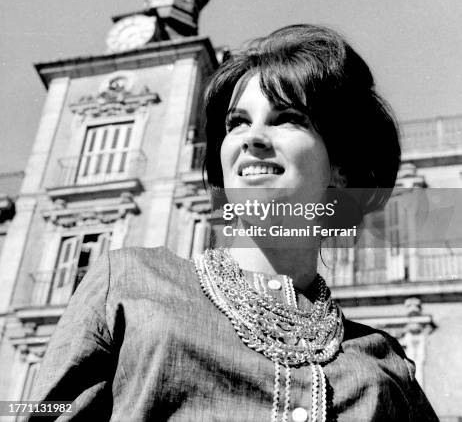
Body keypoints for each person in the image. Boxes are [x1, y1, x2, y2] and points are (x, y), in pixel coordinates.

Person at [31, 24, 438, 421]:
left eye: (287, 118)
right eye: (236, 123)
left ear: (342, 170)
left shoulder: (385, 365)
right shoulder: (126, 283)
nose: (252, 138)